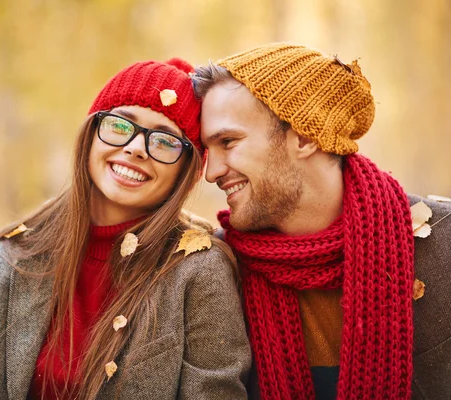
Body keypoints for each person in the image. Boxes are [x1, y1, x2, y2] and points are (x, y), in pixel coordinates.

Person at [0, 58, 251, 400]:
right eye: (121, 125)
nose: (136, 148)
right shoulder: (15, 253)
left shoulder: (199, 269)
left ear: (185, 171)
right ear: (92, 134)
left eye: (165, 141)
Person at [192, 43, 451, 400]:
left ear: (305, 136)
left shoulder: (444, 242)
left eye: (228, 142)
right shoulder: (216, 271)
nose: (212, 172)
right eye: (208, 150)